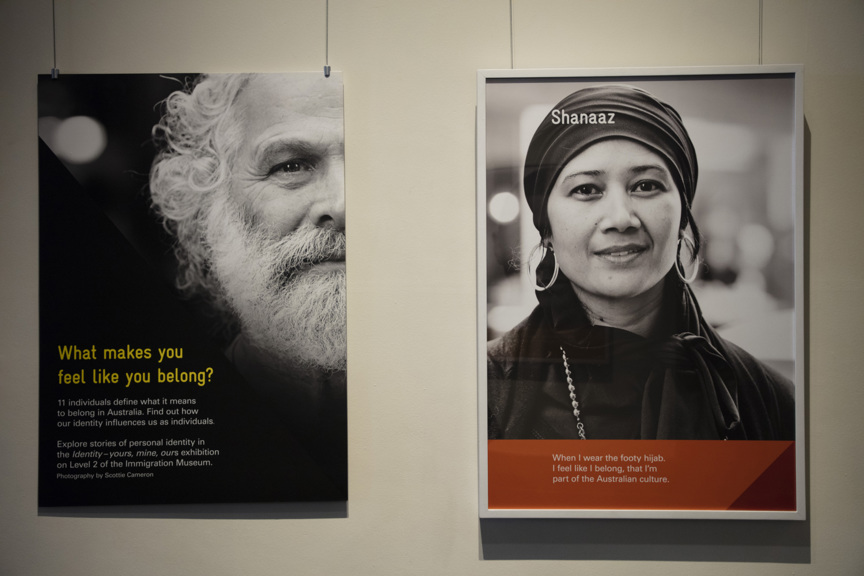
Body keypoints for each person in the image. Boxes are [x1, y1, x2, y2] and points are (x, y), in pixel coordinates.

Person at [487, 84, 795, 441]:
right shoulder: (486, 389)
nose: (621, 218)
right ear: (547, 229)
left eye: (646, 185)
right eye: (586, 189)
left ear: (682, 218)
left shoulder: (768, 401)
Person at [149, 73, 347, 484]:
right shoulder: (164, 432)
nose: (342, 205)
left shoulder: (494, 405)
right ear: (208, 208)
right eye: (290, 165)